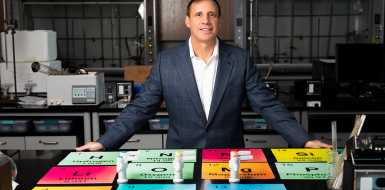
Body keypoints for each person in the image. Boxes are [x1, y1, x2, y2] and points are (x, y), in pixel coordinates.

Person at [76, 0, 331, 151]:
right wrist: (104, 142)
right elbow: (141, 108)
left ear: (219, 21)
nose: (205, 20)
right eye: (198, 14)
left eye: (211, 15)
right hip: (181, 158)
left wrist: (304, 140)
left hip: (228, 157)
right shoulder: (166, 61)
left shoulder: (239, 58)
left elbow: (267, 104)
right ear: (188, 21)